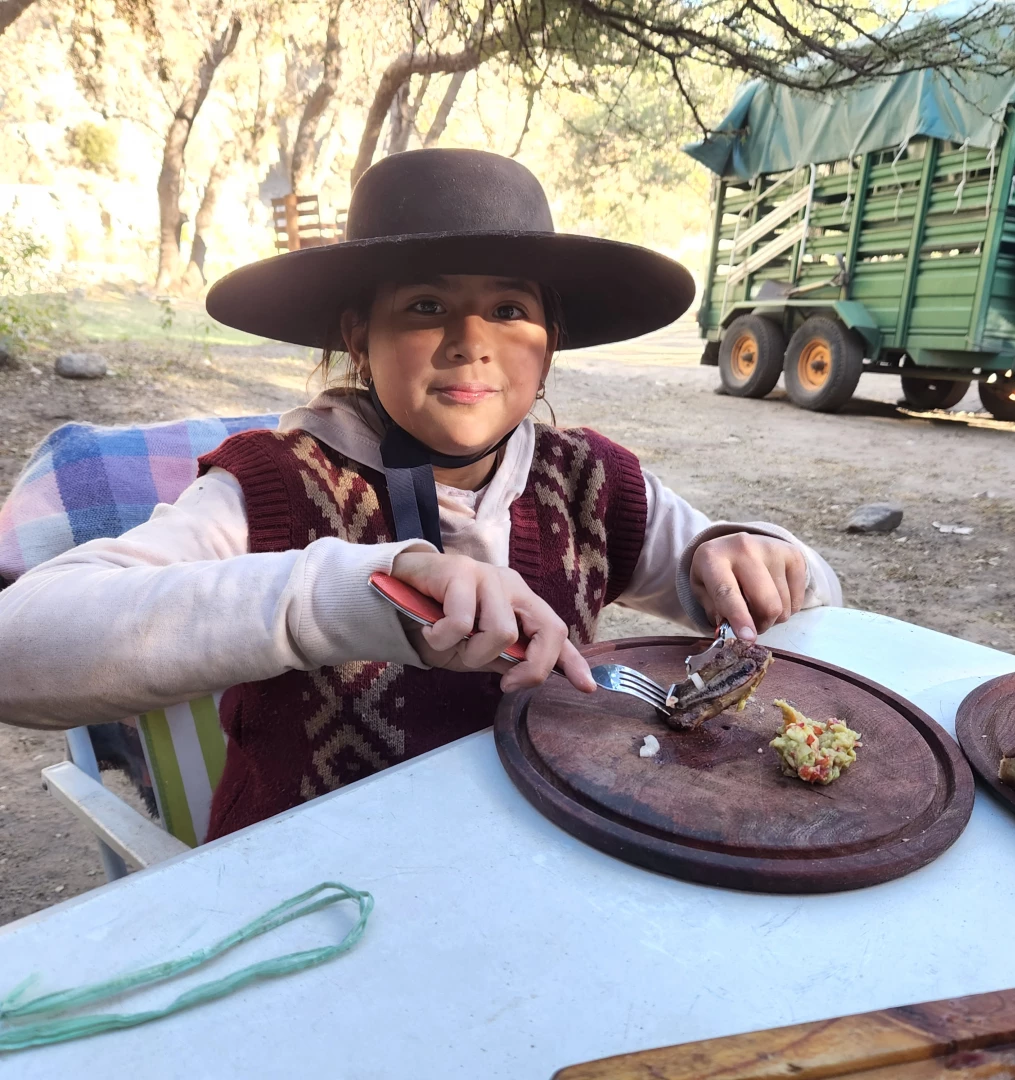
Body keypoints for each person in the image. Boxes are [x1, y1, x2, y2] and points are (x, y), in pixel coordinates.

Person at [0, 149, 841, 839]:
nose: (470, 342)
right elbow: (20, 650)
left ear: (549, 345)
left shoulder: (589, 484)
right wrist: (349, 595)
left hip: (540, 860)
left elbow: (816, 607)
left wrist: (758, 553)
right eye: (427, 305)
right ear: (359, 336)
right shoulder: (276, 487)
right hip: (309, 890)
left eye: (508, 309)